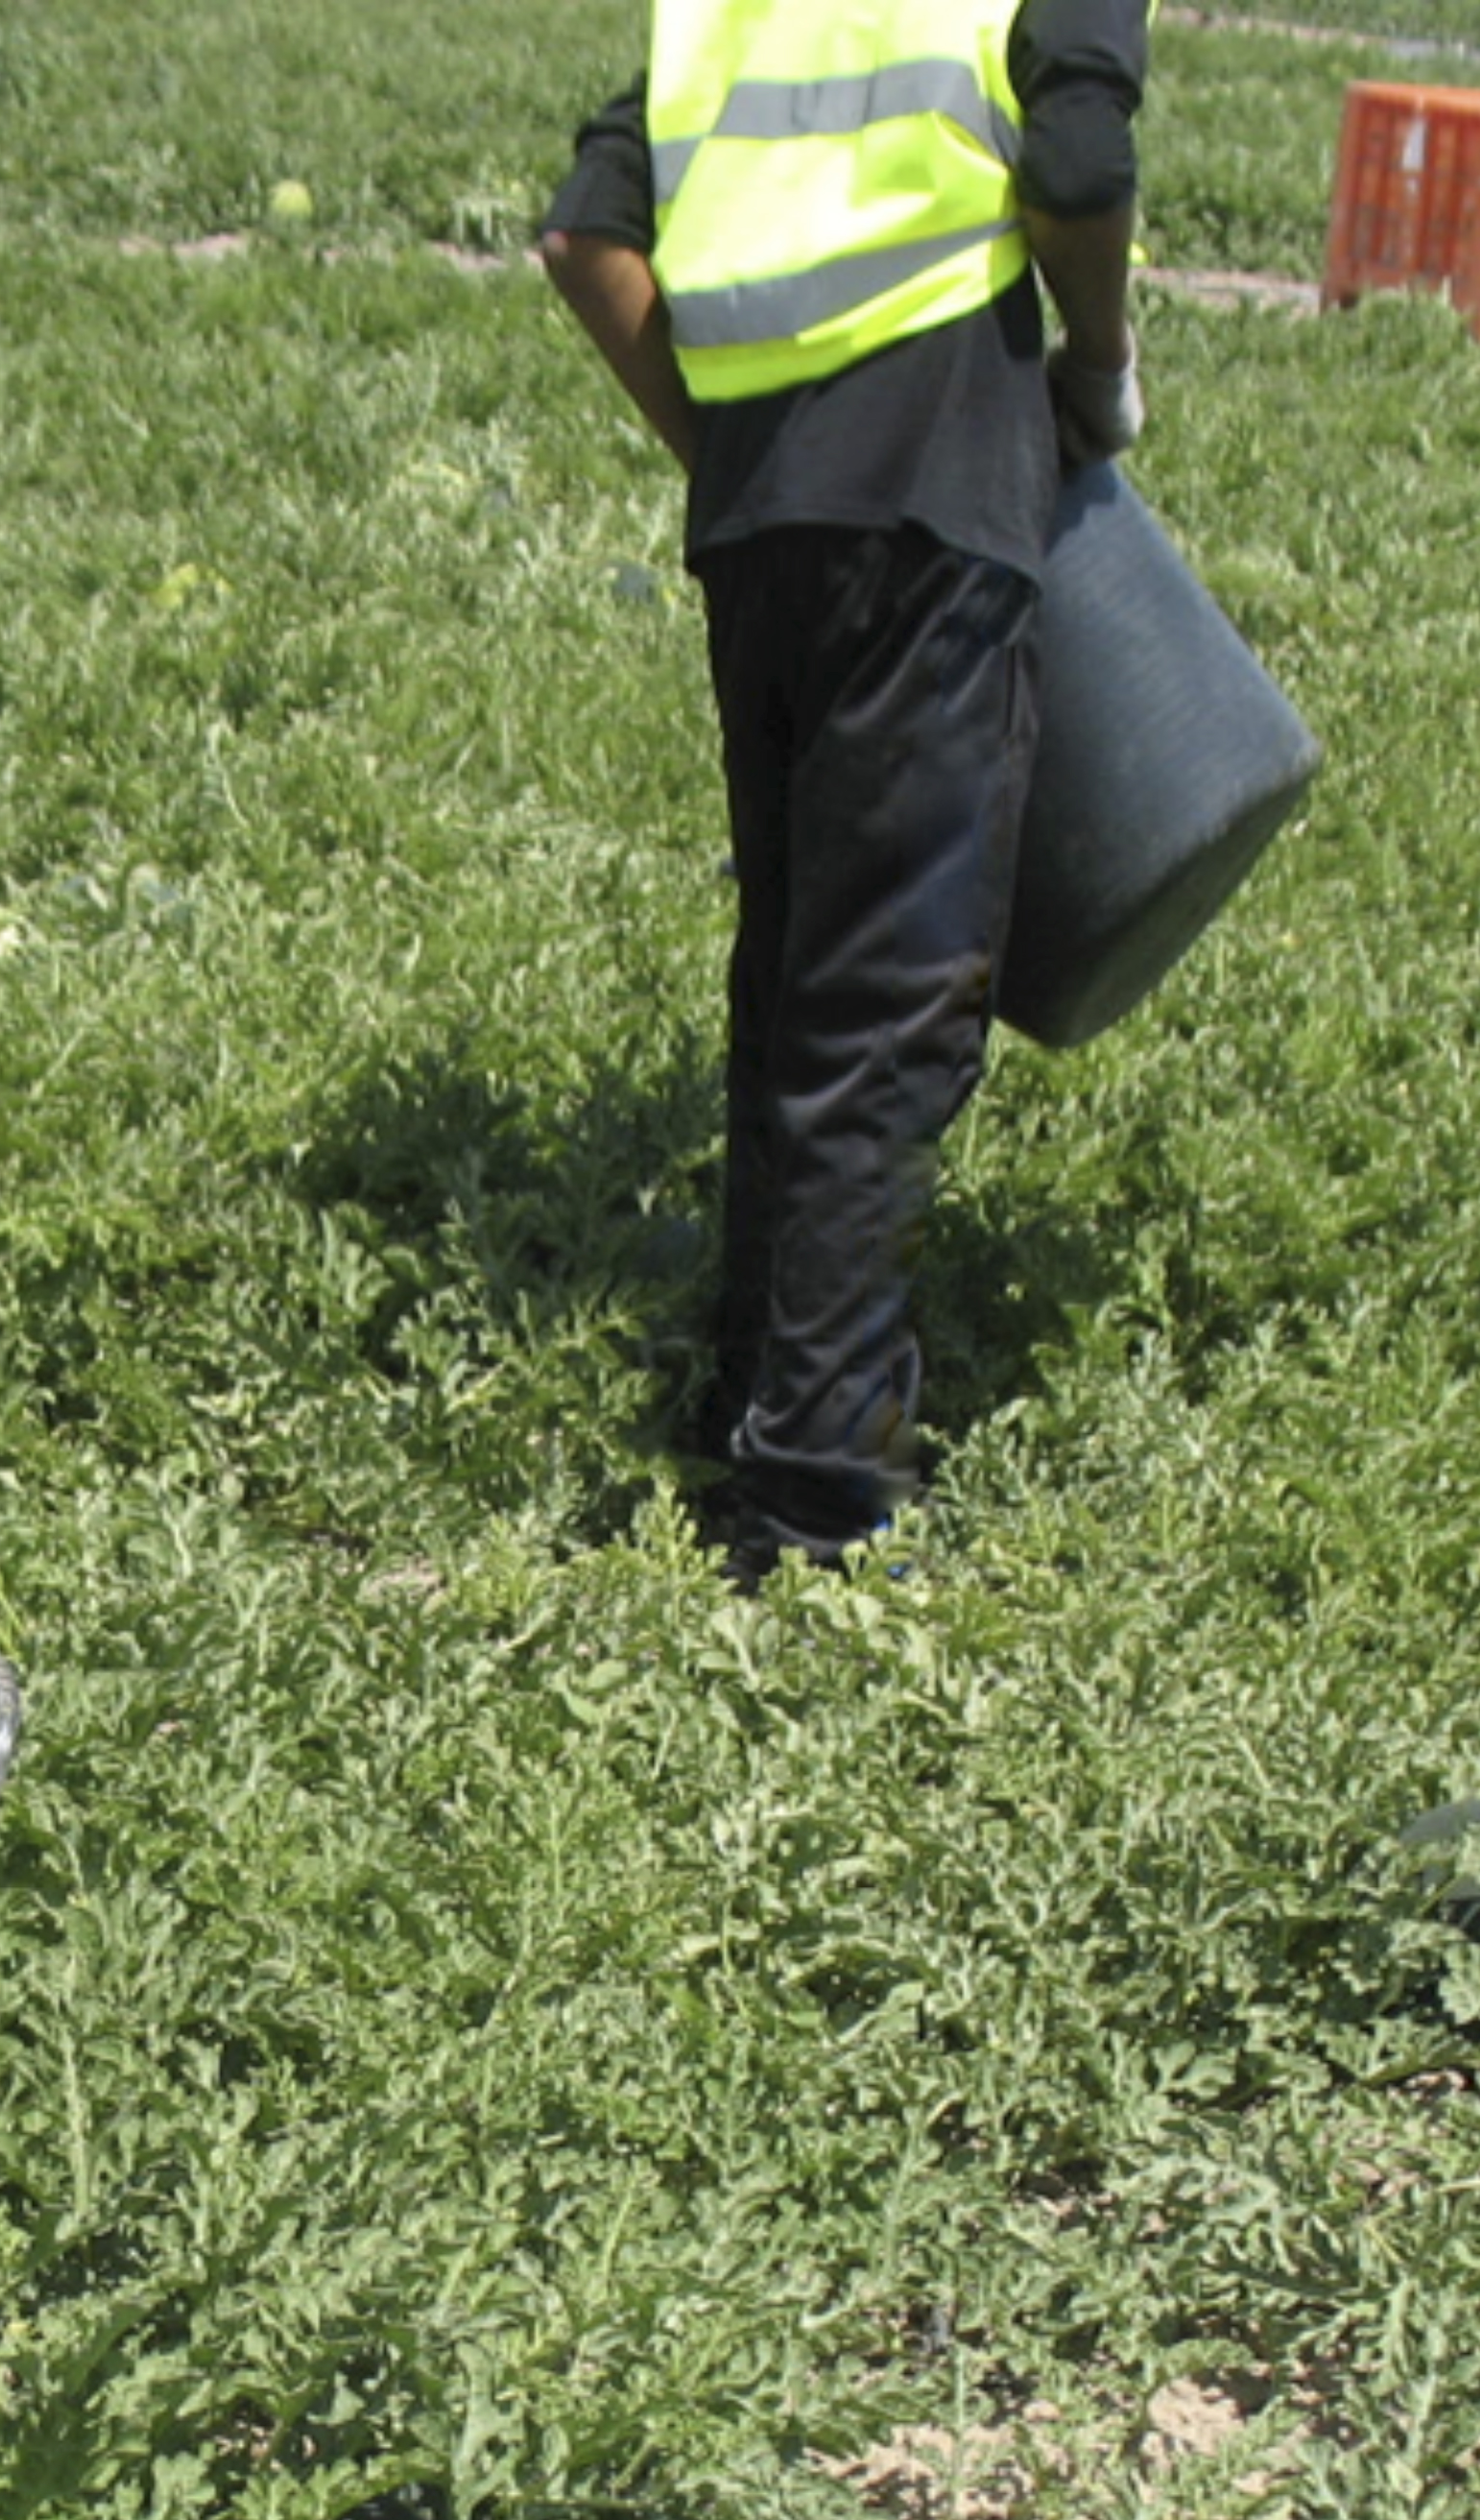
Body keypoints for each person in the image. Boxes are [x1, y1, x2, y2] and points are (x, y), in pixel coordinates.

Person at [539, 0, 1149, 1575]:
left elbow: (583, 241)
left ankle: (739, 1406)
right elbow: (1077, 171)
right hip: (940, 497)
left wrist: (734, 462)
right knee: (884, 1003)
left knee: (797, 974)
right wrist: (1100, 362)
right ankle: (812, 1512)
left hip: (768, 527)